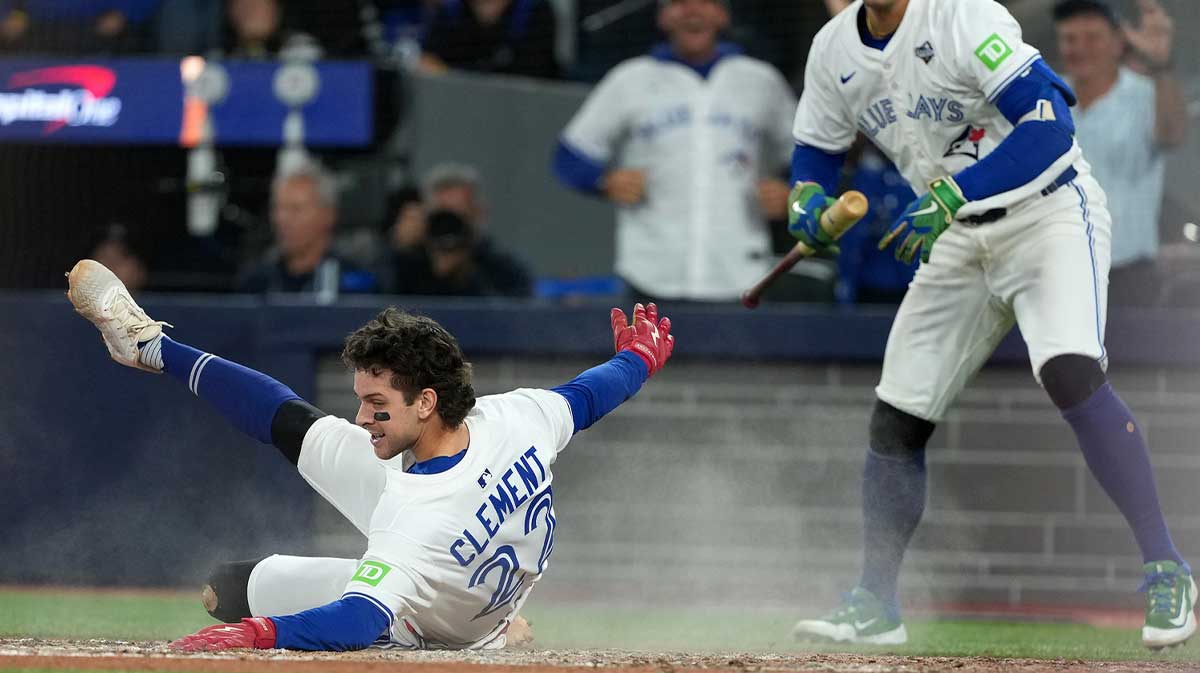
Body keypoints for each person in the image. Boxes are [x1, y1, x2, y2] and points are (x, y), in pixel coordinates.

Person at [785, 0, 1194, 650]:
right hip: (954, 235)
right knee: (898, 412)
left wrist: (954, 191)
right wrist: (804, 196)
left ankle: (1168, 567)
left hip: (1048, 210)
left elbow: (1051, 126)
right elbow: (816, 148)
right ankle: (877, 602)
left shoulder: (963, 17)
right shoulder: (833, 48)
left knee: (1070, 371)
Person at [65, 258, 674, 651]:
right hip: (461, 555)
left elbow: (358, 618)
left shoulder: (413, 522)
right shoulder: (514, 417)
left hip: (435, 621)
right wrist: (640, 358)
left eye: (377, 402)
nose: (361, 416)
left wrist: (257, 633)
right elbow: (589, 395)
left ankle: (496, 637)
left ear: (426, 401)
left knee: (227, 590)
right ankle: (147, 344)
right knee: (298, 425)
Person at [552, 0, 795, 302]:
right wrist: (605, 181)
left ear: (723, 15)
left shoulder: (761, 80)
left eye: (705, 2)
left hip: (739, 271)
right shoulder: (630, 79)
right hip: (652, 271)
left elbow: (808, 155)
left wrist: (791, 194)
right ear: (663, 17)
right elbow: (569, 156)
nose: (693, 10)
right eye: (679, 2)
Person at [1053, 0, 1190, 306]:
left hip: (1128, 275)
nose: (1079, 48)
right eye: (1069, 39)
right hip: (1055, 270)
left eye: (1092, 37)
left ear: (1118, 44)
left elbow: (1173, 134)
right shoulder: (1048, 98)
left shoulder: (1147, 95)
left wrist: (1161, 65)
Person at [238, 161, 378, 297]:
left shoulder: (356, 285)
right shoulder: (256, 284)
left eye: (296, 209)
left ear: (328, 215)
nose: (282, 219)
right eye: (278, 208)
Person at [390, 164, 533, 297]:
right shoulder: (408, 263)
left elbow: (510, 317)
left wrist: (464, 276)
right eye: (443, 216)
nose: (449, 227)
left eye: (458, 216)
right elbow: (379, 310)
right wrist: (402, 252)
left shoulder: (506, 270)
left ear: (479, 214)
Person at [420, 0, 559, 79]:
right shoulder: (451, 11)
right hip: (459, 105)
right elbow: (428, 61)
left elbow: (534, 78)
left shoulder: (534, 11)